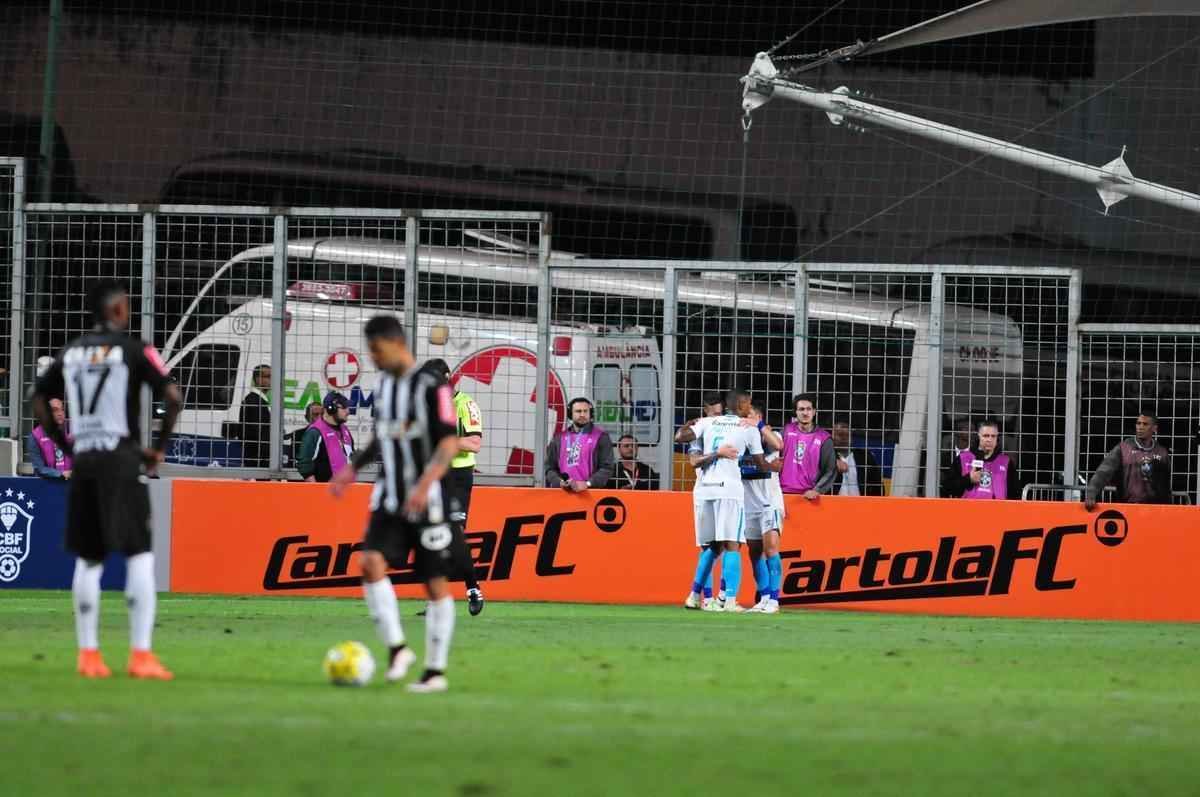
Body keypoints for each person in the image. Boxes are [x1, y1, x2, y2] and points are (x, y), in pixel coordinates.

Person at [31, 278, 182, 680]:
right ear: (118, 310)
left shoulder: (72, 352)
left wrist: (66, 444)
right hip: (121, 459)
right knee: (139, 555)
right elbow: (172, 396)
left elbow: (37, 398)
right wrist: (159, 447)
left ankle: (88, 654)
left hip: (85, 461)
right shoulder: (135, 349)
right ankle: (140, 654)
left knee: (89, 557)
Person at [329, 315, 463, 693]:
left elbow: (449, 442)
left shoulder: (430, 387)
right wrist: (350, 468)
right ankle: (398, 649)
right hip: (388, 497)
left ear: (396, 343)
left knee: (435, 584)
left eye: (375, 349)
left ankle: (435, 671)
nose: (371, 357)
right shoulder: (385, 386)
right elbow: (382, 436)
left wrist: (424, 484)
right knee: (369, 563)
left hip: (428, 501)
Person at [684, 389, 768, 613]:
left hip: (704, 489)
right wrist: (770, 465)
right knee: (732, 545)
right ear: (740, 404)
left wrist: (691, 425)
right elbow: (761, 463)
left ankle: (694, 596)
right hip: (729, 490)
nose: (750, 408)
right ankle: (730, 600)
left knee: (711, 547)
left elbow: (680, 437)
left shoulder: (708, 422)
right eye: (748, 403)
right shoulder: (747, 427)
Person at [421, 358, 485, 617]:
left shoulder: (465, 404)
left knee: (455, 534)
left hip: (458, 475)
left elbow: (473, 444)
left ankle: (473, 588)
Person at [680, 394, 725, 610]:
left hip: (725, 493)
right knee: (708, 546)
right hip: (704, 493)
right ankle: (706, 597)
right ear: (706, 412)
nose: (719, 418)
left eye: (721, 413)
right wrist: (717, 454)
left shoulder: (728, 430)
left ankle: (709, 596)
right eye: (715, 414)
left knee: (726, 545)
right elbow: (693, 461)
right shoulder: (700, 433)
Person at [743, 401, 785, 614]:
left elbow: (779, 445)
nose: (746, 418)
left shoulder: (771, 435)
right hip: (748, 504)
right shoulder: (741, 440)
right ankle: (764, 598)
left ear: (759, 416)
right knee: (754, 553)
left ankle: (775, 601)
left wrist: (758, 425)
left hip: (770, 502)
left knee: (771, 550)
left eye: (750, 415)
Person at [1084, 411, 1172, 509]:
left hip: (1155, 509)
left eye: (1145, 424)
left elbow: (1166, 485)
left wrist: (1168, 507)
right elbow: (1103, 472)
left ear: (1154, 428)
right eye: (1138, 423)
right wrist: (1091, 492)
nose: (1140, 427)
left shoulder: (1162, 452)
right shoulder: (1123, 448)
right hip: (1128, 508)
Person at [943, 419, 1024, 500]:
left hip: (997, 511)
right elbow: (947, 487)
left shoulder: (1006, 462)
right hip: (968, 510)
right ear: (978, 436)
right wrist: (968, 479)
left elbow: (1015, 494)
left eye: (993, 436)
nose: (989, 440)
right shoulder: (963, 458)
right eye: (986, 436)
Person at [545, 397, 614, 491]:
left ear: (591, 414)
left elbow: (607, 468)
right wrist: (560, 482)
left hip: (590, 493)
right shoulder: (558, 438)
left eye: (586, 411)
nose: (582, 414)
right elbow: (549, 468)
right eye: (578, 411)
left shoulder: (601, 437)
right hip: (562, 493)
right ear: (570, 414)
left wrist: (588, 484)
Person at [779, 394, 836, 500]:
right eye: (801, 409)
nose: (805, 413)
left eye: (808, 409)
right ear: (795, 412)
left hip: (809, 496)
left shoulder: (824, 438)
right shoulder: (786, 431)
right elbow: (772, 458)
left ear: (814, 411)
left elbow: (830, 469)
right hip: (782, 493)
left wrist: (817, 490)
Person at [296, 392, 355, 483]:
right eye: (343, 408)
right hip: (325, 493)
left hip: (346, 490)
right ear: (331, 409)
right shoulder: (315, 432)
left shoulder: (345, 430)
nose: (348, 412)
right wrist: (316, 490)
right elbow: (304, 465)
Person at [830, 418, 883, 497]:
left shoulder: (865, 457)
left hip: (861, 506)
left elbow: (877, 485)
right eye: (840, 434)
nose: (844, 438)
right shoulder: (826, 456)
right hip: (833, 505)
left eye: (847, 435)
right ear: (832, 437)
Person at [27, 397, 73, 479]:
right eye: (55, 410)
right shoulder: (35, 436)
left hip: (71, 484)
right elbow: (39, 468)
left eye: (62, 409)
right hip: (46, 485)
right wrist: (61, 474)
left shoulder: (73, 432)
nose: (60, 413)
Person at [238, 363, 272, 468]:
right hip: (258, 460)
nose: (271, 380)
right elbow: (258, 432)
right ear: (258, 379)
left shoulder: (258, 400)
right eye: (268, 377)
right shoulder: (254, 401)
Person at [940, 417, 973, 497]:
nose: (971, 431)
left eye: (972, 429)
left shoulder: (976, 455)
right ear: (957, 432)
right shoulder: (945, 457)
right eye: (966, 429)